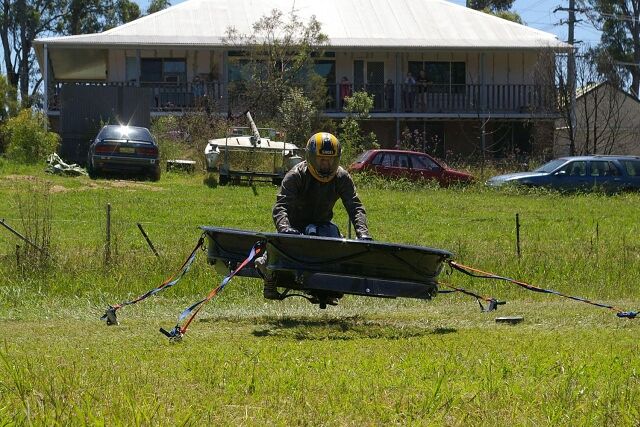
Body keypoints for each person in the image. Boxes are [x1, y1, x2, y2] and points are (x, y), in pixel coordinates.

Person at [257, 132, 372, 300]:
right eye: (321, 159)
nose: (326, 165)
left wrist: (363, 234)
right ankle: (270, 272)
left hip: (322, 227)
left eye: (330, 160)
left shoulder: (341, 177)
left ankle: (330, 286)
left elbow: (355, 206)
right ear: (311, 158)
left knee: (335, 238)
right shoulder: (296, 175)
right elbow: (280, 206)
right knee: (281, 248)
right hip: (294, 231)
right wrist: (285, 229)